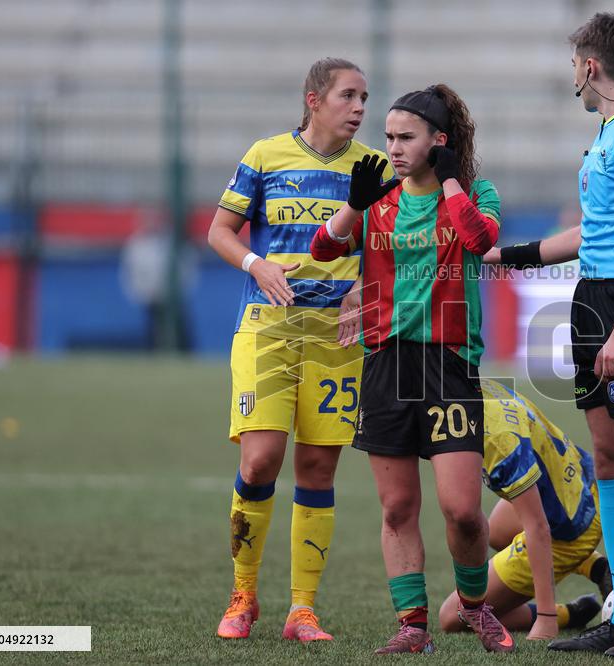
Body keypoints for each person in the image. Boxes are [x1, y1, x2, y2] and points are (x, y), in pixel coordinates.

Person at [487, 13, 614, 657]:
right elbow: (595, 232)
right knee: (607, 459)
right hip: (592, 296)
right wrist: (510, 255)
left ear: (591, 66)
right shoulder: (611, 130)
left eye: (576, 63)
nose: (573, 74)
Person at [311, 84, 509, 654]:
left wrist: (450, 182)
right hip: (386, 364)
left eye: (406, 137)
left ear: (438, 141)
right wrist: (355, 202)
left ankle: (475, 609)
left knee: (464, 511)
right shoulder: (379, 201)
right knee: (398, 507)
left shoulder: (475, 193)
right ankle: (413, 626)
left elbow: (481, 239)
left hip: (447, 365)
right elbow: (324, 249)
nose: (393, 148)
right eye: (389, 137)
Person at [207, 57, 388, 642]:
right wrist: (256, 264)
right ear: (313, 100)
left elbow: (387, 251)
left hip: (337, 337)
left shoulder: (376, 169)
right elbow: (219, 231)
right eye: (348, 96)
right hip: (268, 328)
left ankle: (302, 610)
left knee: (317, 467)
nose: (360, 108)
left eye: (364, 97)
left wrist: (368, 288)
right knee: (260, 460)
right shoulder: (264, 155)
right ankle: (242, 596)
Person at [437, 379, 613, 640]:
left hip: (569, 528)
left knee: (451, 616)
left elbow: (538, 525)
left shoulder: (498, 439)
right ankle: (596, 566)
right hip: (583, 485)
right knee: (496, 531)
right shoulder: (482, 386)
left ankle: (567, 614)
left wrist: (547, 619)